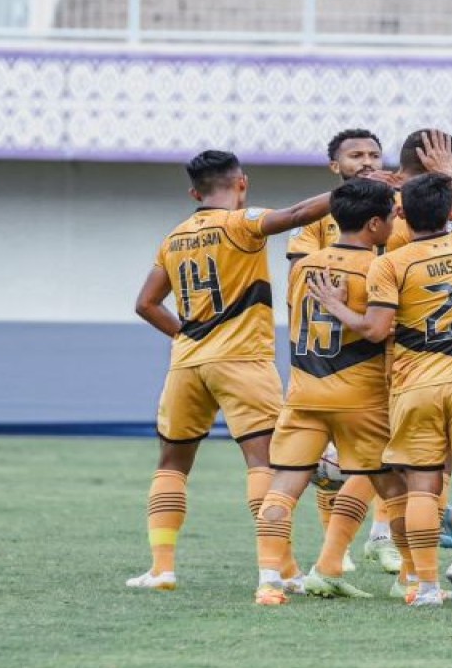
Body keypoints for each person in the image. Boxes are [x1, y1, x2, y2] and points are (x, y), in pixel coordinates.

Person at [311, 131, 452, 608]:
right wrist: (448, 173)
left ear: (400, 215)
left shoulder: (389, 264)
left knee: (420, 485)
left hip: (414, 384)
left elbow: (376, 329)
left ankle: (427, 586)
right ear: (448, 212)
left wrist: (335, 305)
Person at [127, 150, 331, 591]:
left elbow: (145, 304)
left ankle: (161, 569)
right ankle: (281, 570)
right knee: (264, 463)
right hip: (242, 361)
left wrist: (187, 336)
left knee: (172, 463)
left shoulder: (174, 238)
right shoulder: (243, 223)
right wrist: (356, 189)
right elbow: (297, 214)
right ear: (242, 183)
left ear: (194, 193)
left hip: (187, 363)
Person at [253, 177, 399, 605]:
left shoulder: (303, 266)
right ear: (375, 224)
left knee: (283, 488)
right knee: (398, 491)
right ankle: (416, 580)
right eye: (392, 217)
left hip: (304, 391)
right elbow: (380, 330)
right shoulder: (380, 267)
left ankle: (269, 581)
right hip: (360, 396)